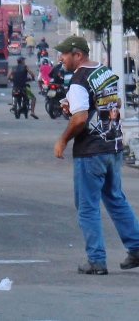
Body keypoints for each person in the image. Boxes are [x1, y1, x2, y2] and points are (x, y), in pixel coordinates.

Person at [52, 35, 139, 275]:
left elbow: (79, 120)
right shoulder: (105, 72)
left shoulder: (79, 79)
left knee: (87, 206)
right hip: (113, 146)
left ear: (78, 55)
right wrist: (79, 106)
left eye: (64, 54)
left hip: (90, 151)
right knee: (115, 198)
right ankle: (137, 247)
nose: (61, 58)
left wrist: (62, 141)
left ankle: (96, 260)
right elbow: (115, 103)